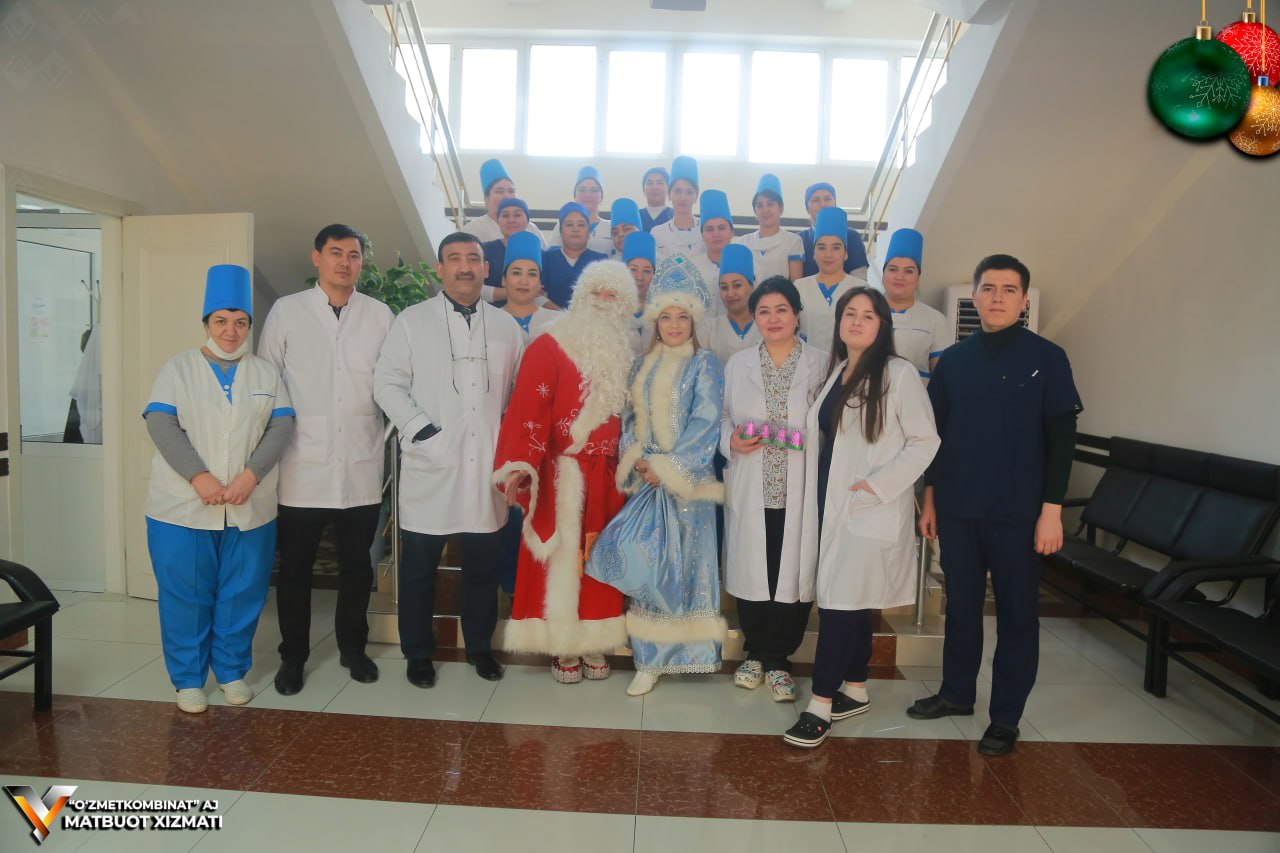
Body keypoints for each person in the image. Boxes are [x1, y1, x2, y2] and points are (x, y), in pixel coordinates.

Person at [908, 254, 1082, 757]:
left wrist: (1052, 511)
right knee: (961, 607)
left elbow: (1062, 440)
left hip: (1019, 513)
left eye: (1009, 290)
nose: (998, 297)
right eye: (989, 288)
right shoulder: (954, 361)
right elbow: (937, 438)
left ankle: (1005, 717)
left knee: (1017, 615)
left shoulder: (1048, 358)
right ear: (975, 296)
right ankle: (956, 693)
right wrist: (930, 498)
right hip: (959, 508)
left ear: (1024, 300)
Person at [782, 287, 939, 748]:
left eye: (867, 315)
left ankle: (820, 705)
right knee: (853, 601)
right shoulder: (839, 372)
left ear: (882, 325)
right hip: (831, 502)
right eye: (849, 313)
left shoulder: (898, 373)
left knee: (839, 604)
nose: (856, 321)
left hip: (867, 505)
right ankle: (855, 688)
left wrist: (878, 486)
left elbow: (925, 442)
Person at [373, 232, 525, 688]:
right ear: (440, 269)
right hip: (431, 464)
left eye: (473, 259)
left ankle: (478, 648)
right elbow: (386, 383)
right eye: (454, 259)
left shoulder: (507, 327)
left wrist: (512, 451)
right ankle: (418, 654)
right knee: (419, 570)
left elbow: (519, 394)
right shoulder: (412, 321)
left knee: (482, 569)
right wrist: (421, 430)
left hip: (487, 467)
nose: (464, 267)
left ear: (485, 269)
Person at [142, 264, 294, 713]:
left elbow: (281, 427)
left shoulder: (265, 373)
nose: (231, 331)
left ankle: (230, 671)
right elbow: (161, 424)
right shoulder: (178, 369)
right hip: (182, 506)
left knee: (242, 592)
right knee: (184, 594)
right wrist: (199, 477)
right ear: (206, 322)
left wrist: (251, 475)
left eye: (241, 322)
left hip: (249, 502)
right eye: (222, 321)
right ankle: (188, 679)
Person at [257, 224, 394, 697]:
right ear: (316, 257)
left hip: (360, 461)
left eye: (354, 255)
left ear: (361, 262)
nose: (345, 262)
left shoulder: (379, 315)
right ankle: (292, 657)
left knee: (357, 566)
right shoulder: (287, 311)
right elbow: (267, 382)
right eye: (336, 253)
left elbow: (393, 380)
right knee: (296, 568)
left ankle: (353, 649)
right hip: (301, 463)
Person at [585, 255, 727, 696]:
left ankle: (691, 654)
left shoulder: (705, 363)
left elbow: (707, 421)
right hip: (646, 483)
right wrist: (640, 461)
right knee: (649, 566)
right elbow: (628, 422)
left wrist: (669, 467)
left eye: (682, 316)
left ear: (693, 321)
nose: (674, 324)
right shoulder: (638, 366)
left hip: (688, 485)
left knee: (687, 568)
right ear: (655, 322)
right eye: (666, 317)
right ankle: (648, 660)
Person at [492, 260, 639, 683]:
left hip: (609, 476)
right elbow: (528, 408)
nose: (603, 302)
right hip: (563, 474)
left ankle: (594, 639)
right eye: (596, 293)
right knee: (561, 559)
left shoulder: (627, 351)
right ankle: (561, 644)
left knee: (600, 559)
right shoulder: (549, 344)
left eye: (613, 295)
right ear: (580, 296)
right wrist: (522, 465)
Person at [721, 276, 827, 703]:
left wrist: (794, 437)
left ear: (797, 313)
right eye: (763, 311)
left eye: (781, 309)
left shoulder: (822, 363)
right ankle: (754, 654)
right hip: (752, 483)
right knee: (754, 570)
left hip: (799, 487)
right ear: (755, 318)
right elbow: (723, 418)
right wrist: (730, 440)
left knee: (792, 574)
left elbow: (831, 425)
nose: (773, 318)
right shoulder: (738, 364)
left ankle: (778, 659)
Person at [880, 228, 953, 384]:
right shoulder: (866, 312)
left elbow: (942, 376)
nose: (899, 276)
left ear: (918, 279)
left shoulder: (935, 320)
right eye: (892, 269)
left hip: (917, 395)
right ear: (883, 275)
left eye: (908, 271)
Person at [794, 207, 862, 345]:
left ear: (846, 254)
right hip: (806, 358)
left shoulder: (860, 289)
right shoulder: (799, 287)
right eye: (821, 247)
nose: (828, 254)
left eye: (836, 248)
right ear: (814, 253)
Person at [699, 244, 762, 366]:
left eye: (737, 285)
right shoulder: (708, 329)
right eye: (724, 287)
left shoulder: (765, 327)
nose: (730, 293)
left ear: (752, 287)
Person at [463, 158, 547, 247]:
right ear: (486, 198)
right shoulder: (473, 230)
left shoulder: (531, 228)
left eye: (511, 191)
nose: (507, 196)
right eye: (499, 191)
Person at [542, 202, 609, 310]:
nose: (575, 229)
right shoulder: (546, 259)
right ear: (560, 232)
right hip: (551, 318)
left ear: (589, 232)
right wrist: (561, 314)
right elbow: (538, 295)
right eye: (569, 225)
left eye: (581, 225)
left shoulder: (601, 261)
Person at [738, 174, 804, 282]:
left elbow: (796, 285)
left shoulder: (793, 241)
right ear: (755, 211)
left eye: (770, 204)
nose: (765, 210)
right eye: (760, 206)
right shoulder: (744, 242)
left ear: (781, 208)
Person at [687, 189, 743, 316]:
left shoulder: (749, 266)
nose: (716, 234)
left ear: (732, 232)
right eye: (709, 229)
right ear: (702, 235)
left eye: (721, 228)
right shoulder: (690, 269)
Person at [797, 182, 869, 279]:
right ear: (807, 208)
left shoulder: (851, 236)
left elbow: (860, 278)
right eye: (816, 200)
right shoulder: (799, 240)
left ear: (835, 204)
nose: (823, 204)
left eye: (827, 199)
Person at [499, 231, 560, 342]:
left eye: (532, 274)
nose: (524, 281)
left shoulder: (557, 322)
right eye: (516, 273)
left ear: (539, 284)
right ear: (504, 280)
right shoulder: (489, 322)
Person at [549, 166, 613, 255]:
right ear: (575, 196)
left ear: (601, 195)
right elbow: (553, 256)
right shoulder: (563, 224)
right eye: (582, 190)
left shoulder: (611, 227)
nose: (588, 194)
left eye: (593, 190)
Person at [481, 196, 534, 299]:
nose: (511, 220)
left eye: (517, 215)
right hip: (490, 309)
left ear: (527, 221)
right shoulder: (484, 250)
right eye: (505, 215)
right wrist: (513, 292)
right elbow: (473, 288)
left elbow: (540, 293)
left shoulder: (539, 254)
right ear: (498, 221)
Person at [651, 155, 702, 262]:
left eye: (689, 192)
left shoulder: (706, 231)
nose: (683, 197)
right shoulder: (657, 233)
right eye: (677, 191)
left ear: (696, 196)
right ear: (669, 195)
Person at [623, 231, 657, 357]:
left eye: (647, 271)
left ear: (654, 275)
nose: (640, 277)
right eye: (633, 270)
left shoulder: (662, 311)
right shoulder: (611, 311)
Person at [639, 165, 672, 232]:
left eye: (660, 183)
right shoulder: (636, 217)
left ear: (668, 189)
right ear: (644, 190)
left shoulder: (675, 216)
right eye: (650, 183)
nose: (655, 187)